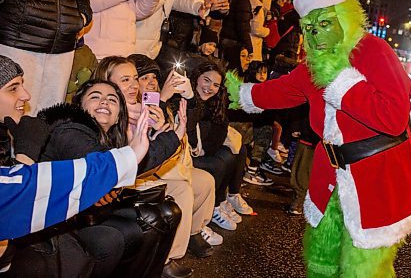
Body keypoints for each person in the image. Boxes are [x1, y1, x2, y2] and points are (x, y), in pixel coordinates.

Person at [226, 0, 411, 277]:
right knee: (321, 260)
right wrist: (238, 93)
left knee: (363, 269)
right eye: (310, 28)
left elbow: (393, 118)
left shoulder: (375, 51)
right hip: (329, 176)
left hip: (377, 179)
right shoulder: (314, 64)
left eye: (325, 24)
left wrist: (339, 81)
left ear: (345, 18)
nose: (316, 36)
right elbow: (282, 90)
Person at [0, 55, 150, 275]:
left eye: (112, 99)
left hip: (43, 221)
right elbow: (11, 204)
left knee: (145, 222)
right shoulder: (71, 131)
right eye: (13, 88)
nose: (26, 95)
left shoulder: (9, 132)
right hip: (39, 228)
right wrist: (25, 156)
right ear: (80, 107)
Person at [128, 54, 221, 278]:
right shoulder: (131, 106)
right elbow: (148, 145)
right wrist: (160, 99)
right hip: (146, 173)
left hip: (169, 165)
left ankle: (194, 231)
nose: (151, 82)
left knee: (206, 180)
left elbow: (192, 120)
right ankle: (167, 258)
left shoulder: (162, 101)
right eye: (144, 78)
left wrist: (189, 97)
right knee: (183, 190)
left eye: (154, 77)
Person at [0, 0, 92, 114]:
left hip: (63, 45)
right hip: (20, 39)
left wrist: (83, 17)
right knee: (13, 116)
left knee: (49, 118)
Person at [187, 61, 253, 231]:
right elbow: (190, 133)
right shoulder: (187, 98)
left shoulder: (216, 100)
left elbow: (220, 131)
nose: (209, 87)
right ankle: (214, 206)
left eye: (216, 84)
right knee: (219, 163)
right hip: (187, 152)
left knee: (239, 150)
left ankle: (228, 197)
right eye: (206, 80)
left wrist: (206, 150)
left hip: (202, 149)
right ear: (196, 78)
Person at [219, 0, 254, 74]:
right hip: (235, 45)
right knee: (233, 75)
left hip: (225, 41)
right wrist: (249, 48)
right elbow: (242, 26)